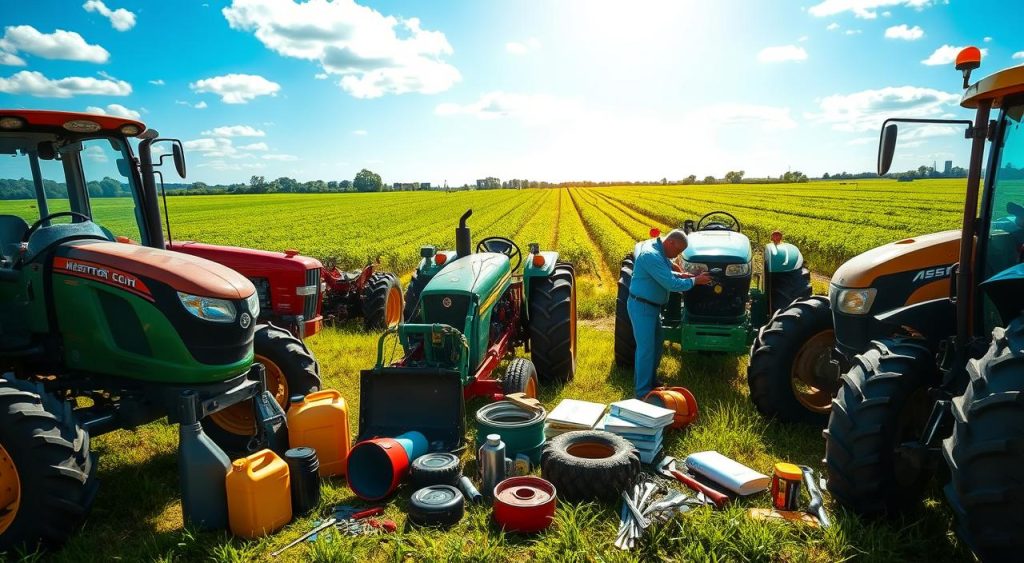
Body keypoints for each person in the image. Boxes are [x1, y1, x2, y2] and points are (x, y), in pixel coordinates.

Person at [627, 229, 711, 398]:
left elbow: (663, 272)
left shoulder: (659, 249)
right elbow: (671, 284)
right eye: (677, 251)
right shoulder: (651, 255)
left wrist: (683, 274)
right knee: (646, 349)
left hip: (652, 307)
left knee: (657, 346)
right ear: (670, 242)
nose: (676, 255)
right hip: (642, 307)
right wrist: (695, 281)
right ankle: (642, 392)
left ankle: (652, 381)